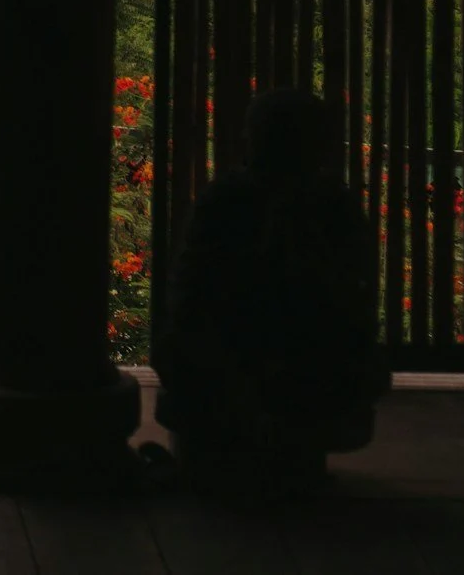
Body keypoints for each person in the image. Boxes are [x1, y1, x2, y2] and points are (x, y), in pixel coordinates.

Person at [152, 87, 390, 496]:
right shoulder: (334, 207)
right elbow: (356, 304)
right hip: (310, 371)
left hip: (232, 364)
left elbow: (188, 297)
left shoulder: (227, 200)